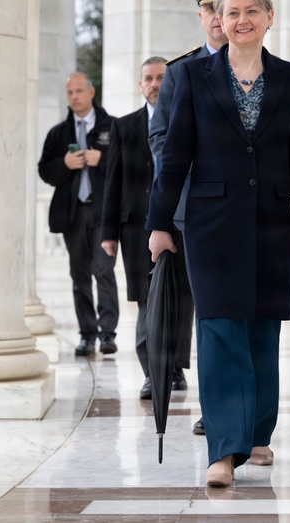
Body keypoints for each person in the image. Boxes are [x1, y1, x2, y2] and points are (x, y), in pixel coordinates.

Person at [147, 0, 290, 488]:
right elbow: (175, 154)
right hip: (211, 223)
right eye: (232, 12)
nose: (241, 20)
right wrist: (159, 223)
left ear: (269, 16)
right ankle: (224, 449)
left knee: (264, 330)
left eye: (252, 10)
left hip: (271, 220)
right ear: (217, 21)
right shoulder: (196, 76)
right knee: (220, 329)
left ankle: (258, 433)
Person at [149, 0, 235, 434]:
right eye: (208, 8)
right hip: (195, 213)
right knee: (207, 315)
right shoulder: (180, 71)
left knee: (237, 315)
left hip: (243, 211)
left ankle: (237, 407)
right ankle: (214, 407)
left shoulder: (257, 67)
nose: (216, 17)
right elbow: (161, 138)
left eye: (223, 7)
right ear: (201, 15)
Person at [100, 56, 194, 399]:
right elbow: (113, 182)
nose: (155, 84)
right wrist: (108, 232)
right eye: (148, 79)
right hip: (136, 229)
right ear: (140, 85)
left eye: (161, 78)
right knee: (145, 301)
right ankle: (152, 373)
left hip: (182, 221)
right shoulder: (124, 127)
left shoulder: (185, 117)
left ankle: (175, 368)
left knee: (183, 300)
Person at [39, 72, 119, 357]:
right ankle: (87, 335)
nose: (74, 96)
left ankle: (108, 333)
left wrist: (103, 159)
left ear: (91, 92)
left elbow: (130, 163)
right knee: (79, 275)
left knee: (103, 270)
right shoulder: (59, 133)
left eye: (78, 91)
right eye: (69, 92)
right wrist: (64, 163)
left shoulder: (113, 127)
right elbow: (44, 170)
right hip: (73, 214)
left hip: (104, 213)